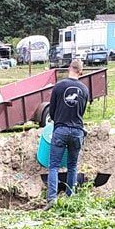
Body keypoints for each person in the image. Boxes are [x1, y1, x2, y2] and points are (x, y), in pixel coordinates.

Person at [46, 58, 89, 205]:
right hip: (77, 131)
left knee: (54, 166)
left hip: (61, 130)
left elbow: (52, 111)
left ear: (69, 69)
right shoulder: (84, 90)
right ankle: (70, 198)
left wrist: (58, 120)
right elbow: (82, 112)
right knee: (72, 166)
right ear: (81, 72)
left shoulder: (58, 87)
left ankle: (52, 199)